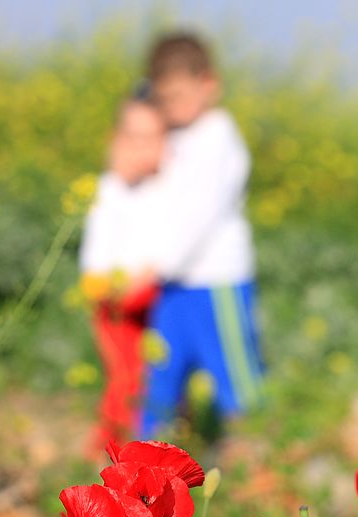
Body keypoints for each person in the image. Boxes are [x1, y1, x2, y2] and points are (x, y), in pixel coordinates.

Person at [136, 33, 265, 437]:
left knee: (233, 376)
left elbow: (200, 214)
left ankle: (254, 462)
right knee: (159, 378)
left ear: (209, 84)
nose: (170, 107)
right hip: (171, 285)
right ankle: (143, 471)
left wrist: (158, 265)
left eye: (177, 95)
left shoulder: (218, 137)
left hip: (216, 281)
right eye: (163, 98)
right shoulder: (171, 134)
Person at [79, 97, 163, 451]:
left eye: (150, 139)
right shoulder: (110, 187)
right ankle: (110, 448)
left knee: (152, 374)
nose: (139, 149)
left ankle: (153, 443)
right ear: (115, 141)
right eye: (131, 138)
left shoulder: (165, 186)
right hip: (110, 295)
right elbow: (96, 254)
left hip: (150, 293)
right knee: (125, 376)